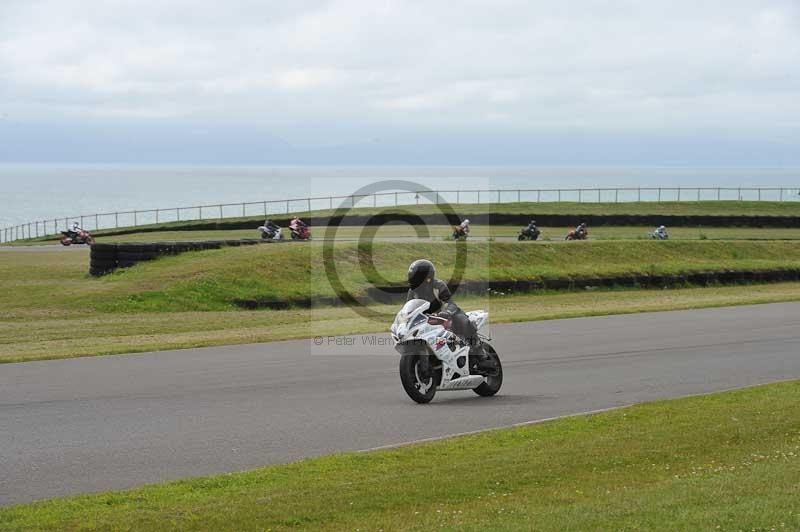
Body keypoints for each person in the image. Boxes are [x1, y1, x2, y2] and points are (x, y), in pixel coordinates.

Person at [406, 259, 496, 372]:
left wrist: (447, 312)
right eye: (411, 275)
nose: (412, 278)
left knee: (464, 322)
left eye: (414, 276)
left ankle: (480, 355)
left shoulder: (438, 285)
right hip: (428, 320)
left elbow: (450, 303)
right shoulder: (413, 291)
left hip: (447, 315)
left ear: (426, 277)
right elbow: (409, 308)